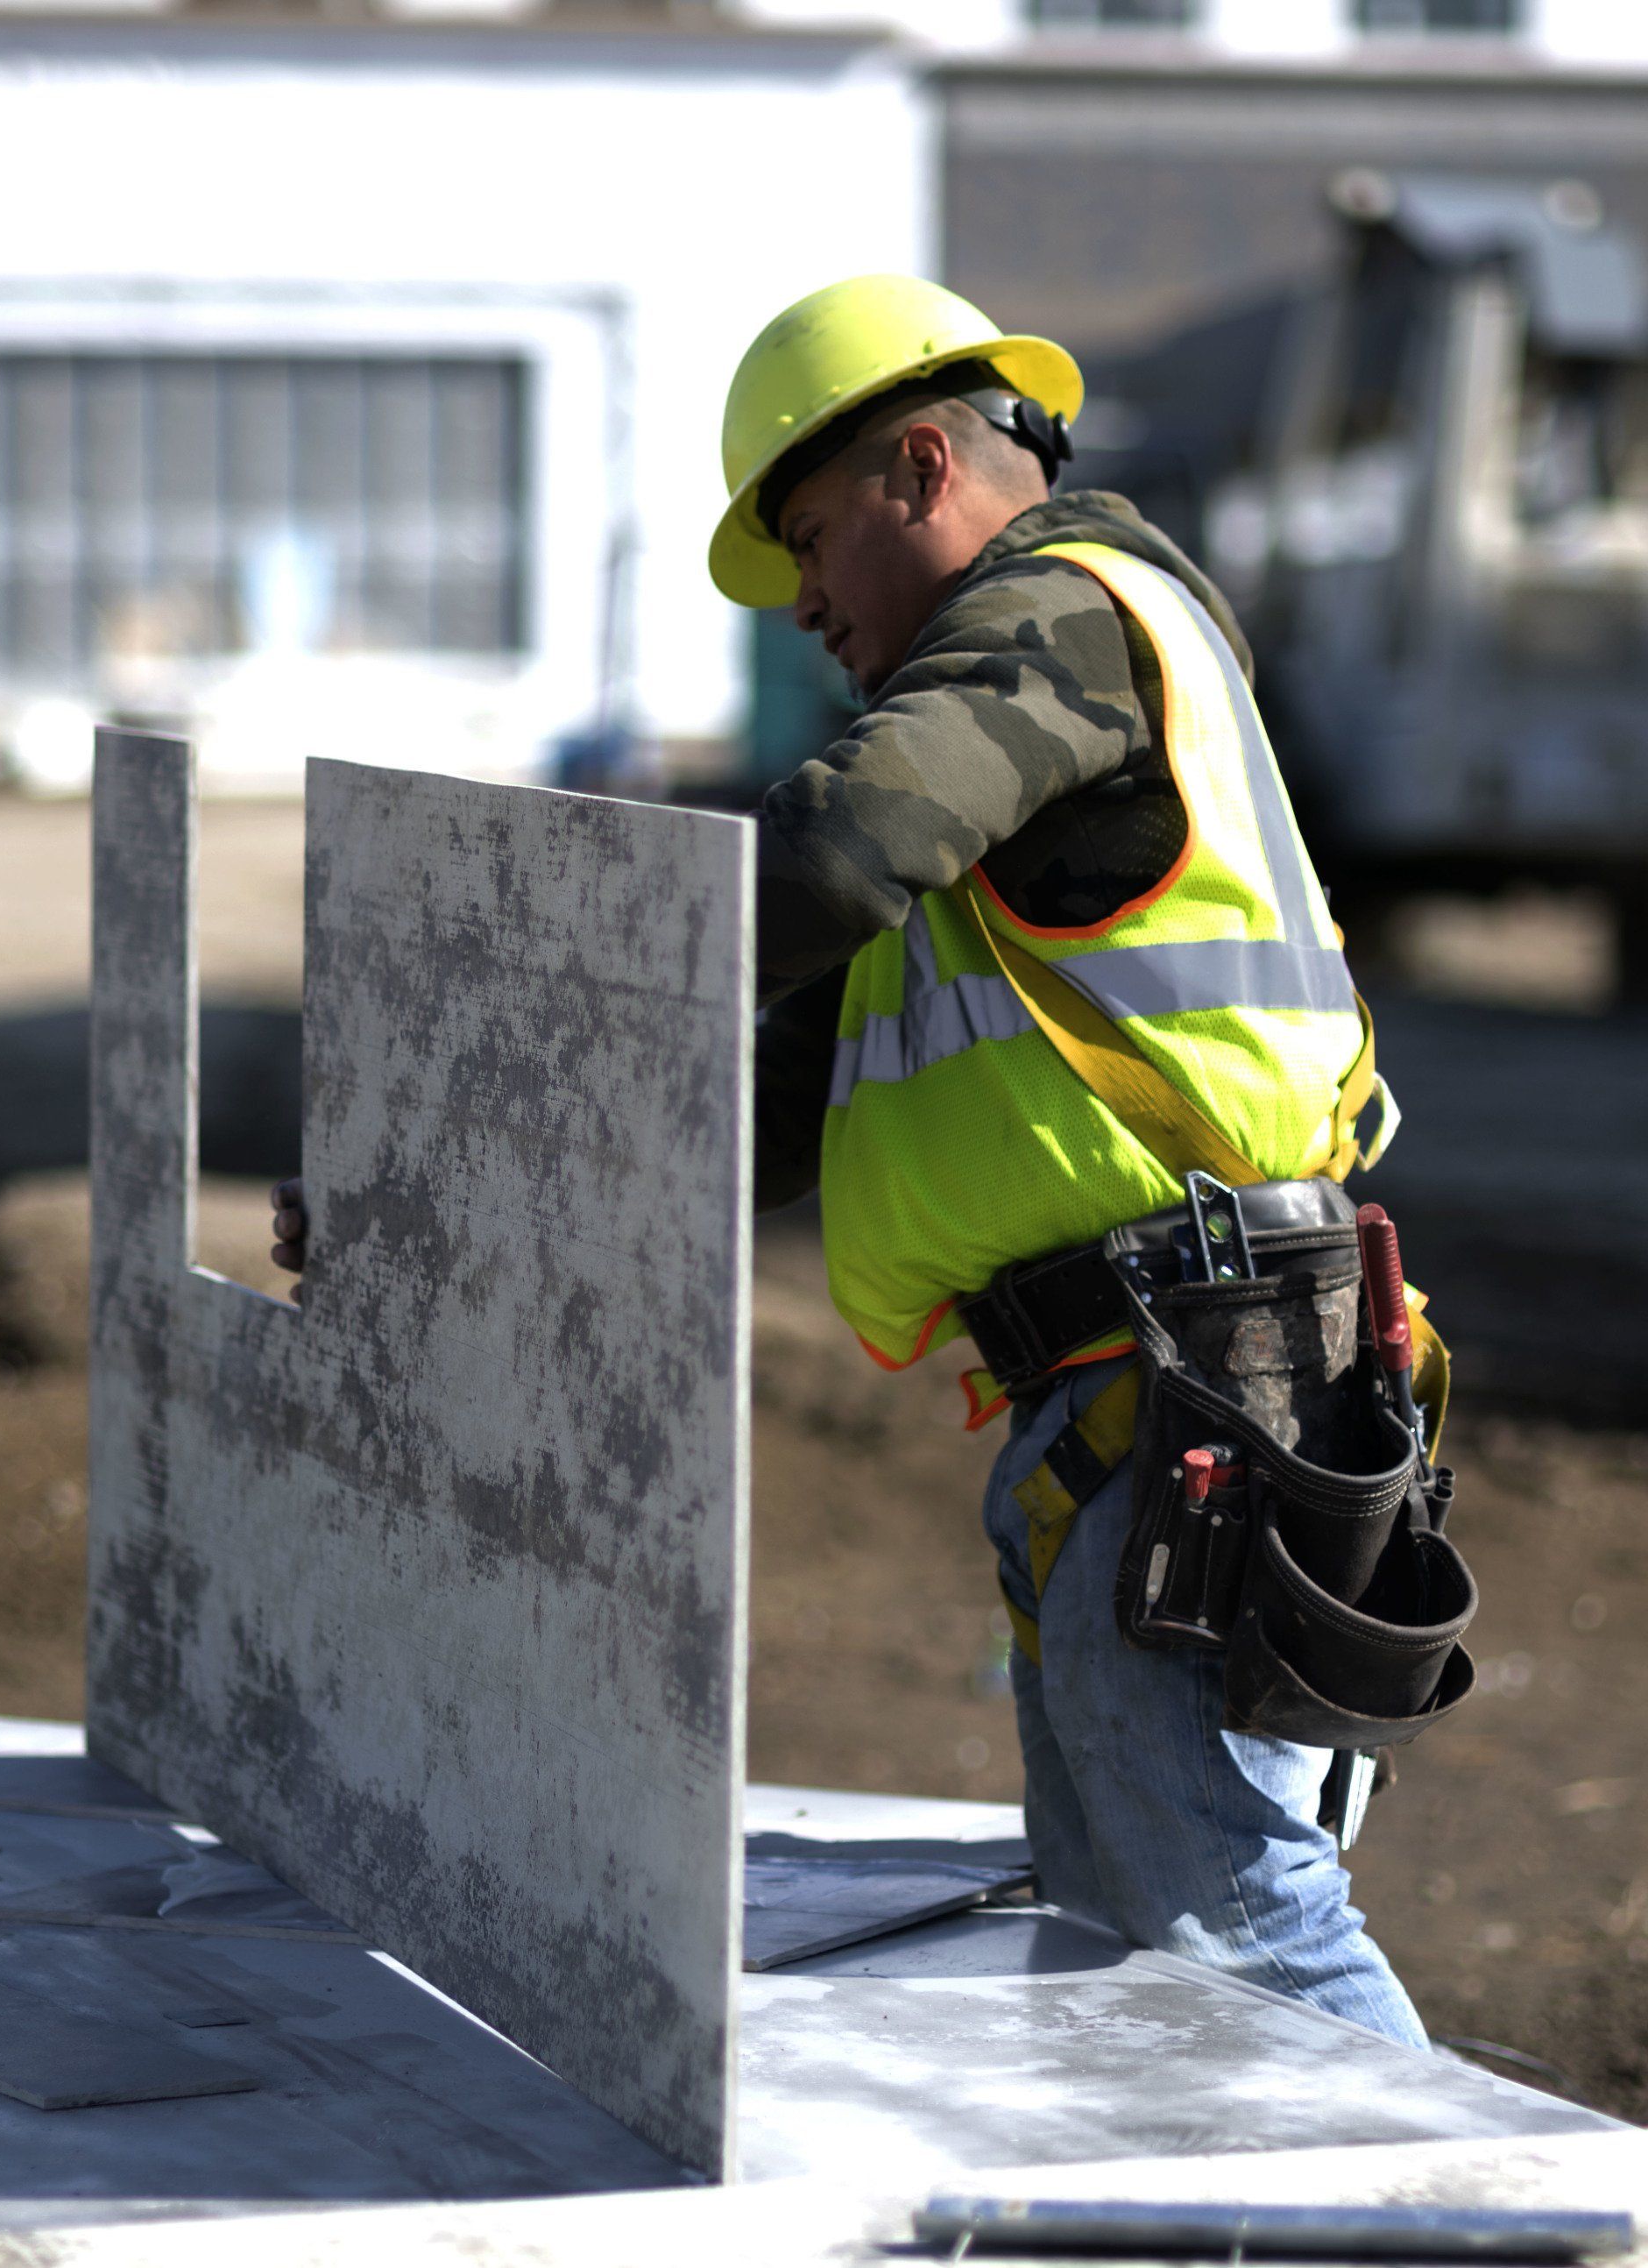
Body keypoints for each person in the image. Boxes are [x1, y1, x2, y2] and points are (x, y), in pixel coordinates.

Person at [272, 273, 1425, 2049]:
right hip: (1149, 1398)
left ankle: (1503, 2239)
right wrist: (436, 1193)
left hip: (1204, 1383)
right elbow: (747, 1111)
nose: (803, 604)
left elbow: (821, 858)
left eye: (809, 540)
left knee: (1234, 1938)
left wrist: (535, 959)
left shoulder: (1069, 622)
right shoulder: (990, 795)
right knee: (1148, 1952)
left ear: (919, 463)